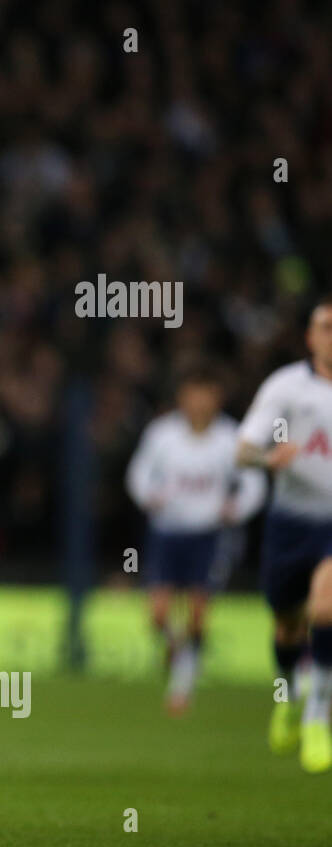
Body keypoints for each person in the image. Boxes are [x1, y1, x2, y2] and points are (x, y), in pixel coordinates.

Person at [125, 364, 264, 715]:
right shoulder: (162, 434)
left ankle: (182, 684)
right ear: (182, 397)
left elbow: (253, 484)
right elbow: (139, 472)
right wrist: (148, 495)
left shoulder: (232, 437)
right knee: (157, 615)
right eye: (193, 394)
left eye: (207, 395)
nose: (199, 402)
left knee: (198, 613)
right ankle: (175, 650)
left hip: (209, 535)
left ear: (217, 398)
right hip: (167, 531)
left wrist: (237, 508)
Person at [237, 299, 332, 771]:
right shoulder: (287, 388)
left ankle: (319, 715)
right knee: (288, 622)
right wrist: (268, 460)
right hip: (291, 523)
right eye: (326, 327)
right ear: (311, 337)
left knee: (326, 607)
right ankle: (289, 695)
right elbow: (244, 450)